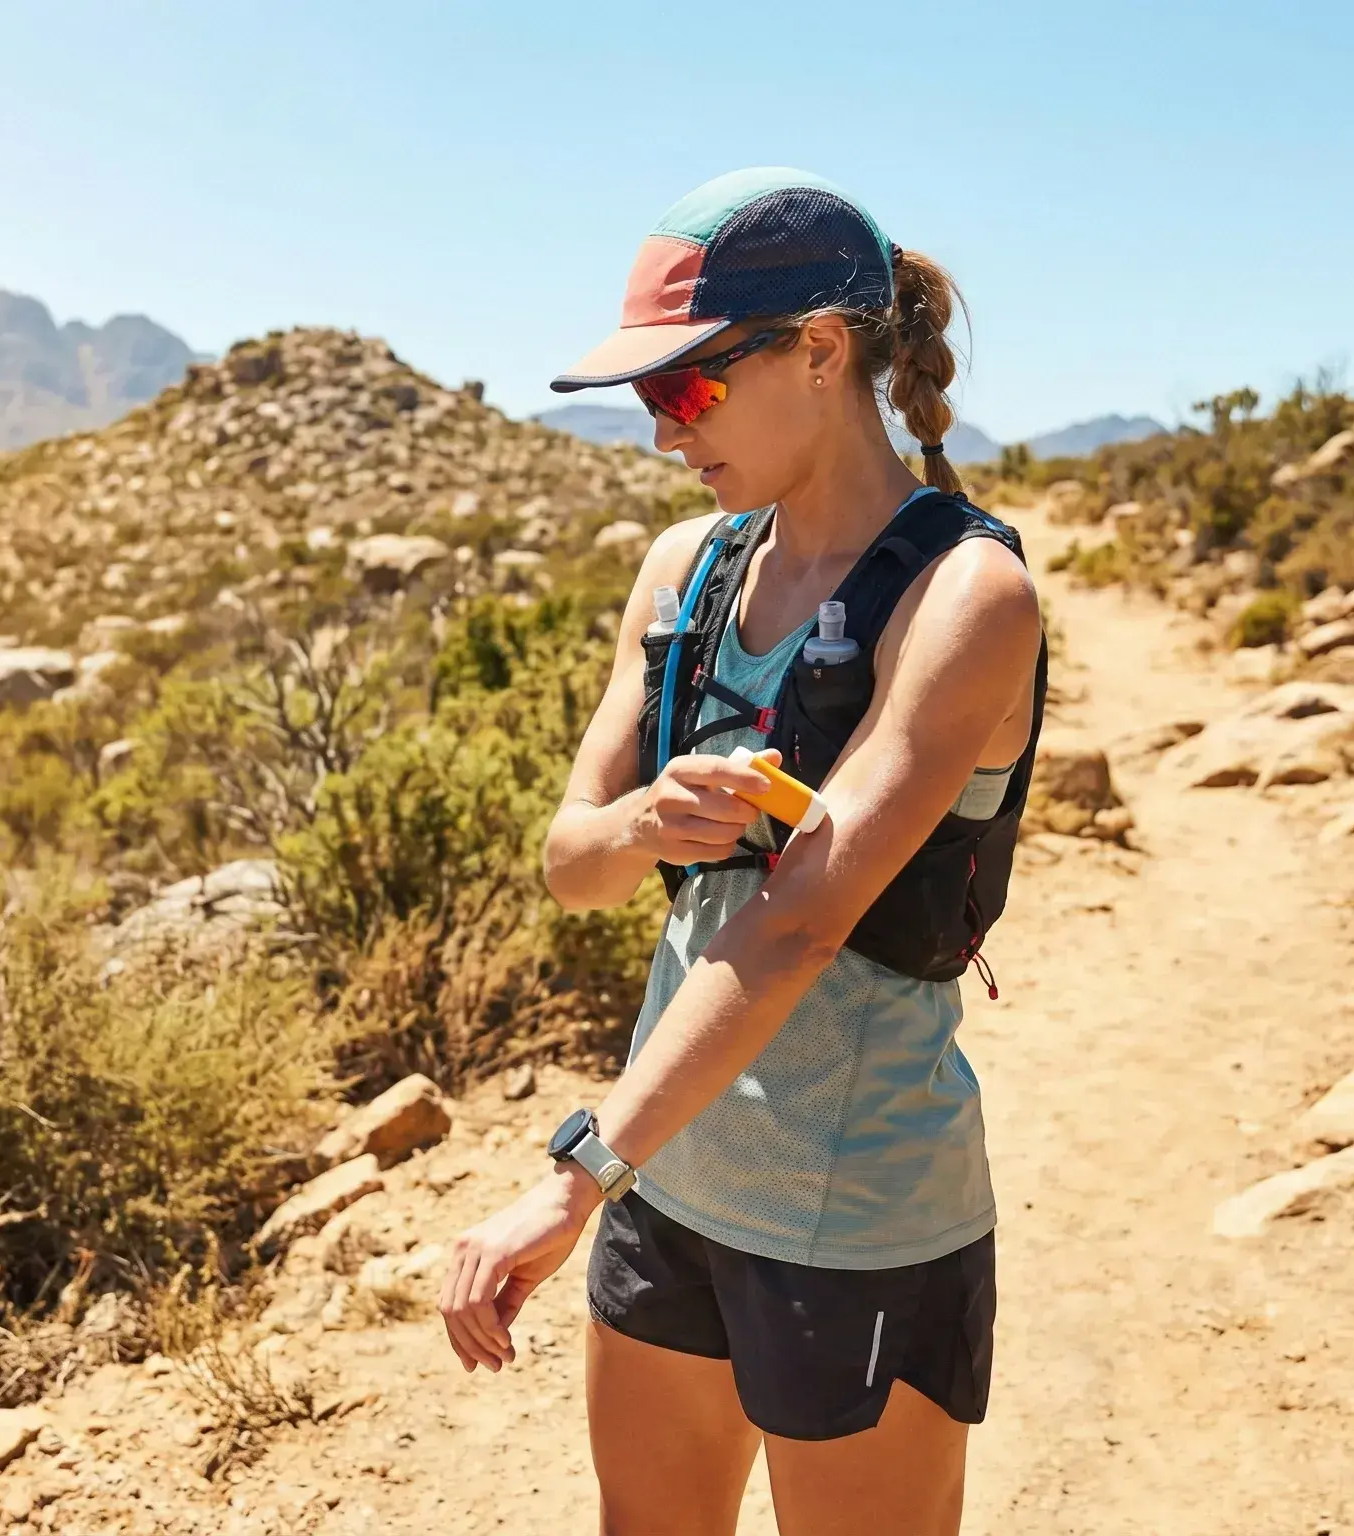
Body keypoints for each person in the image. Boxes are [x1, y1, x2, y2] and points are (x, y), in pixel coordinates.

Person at [436, 168, 1044, 1535]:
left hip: (861, 1218)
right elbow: (572, 864)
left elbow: (797, 926)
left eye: (686, 391)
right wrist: (650, 820)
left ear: (821, 352)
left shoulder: (965, 597)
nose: (663, 436)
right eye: (647, 402)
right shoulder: (684, 573)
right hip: (671, 1181)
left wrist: (572, 1178)